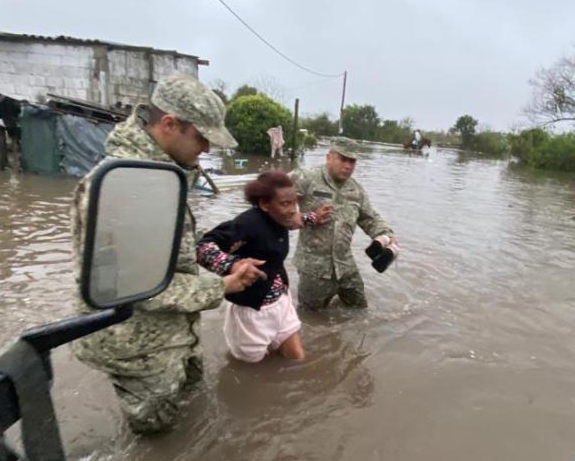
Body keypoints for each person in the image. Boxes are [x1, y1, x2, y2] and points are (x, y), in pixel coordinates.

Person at [70, 74, 266, 435]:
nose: (207, 149)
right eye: (201, 138)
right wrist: (222, 286)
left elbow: (169, 260)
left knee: (190, 422)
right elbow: (136, 287)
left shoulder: (162, 176)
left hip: (173, 333)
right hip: (138, 347)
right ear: (169, 124)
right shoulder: (125, 187)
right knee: (159, 440)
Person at [196, 171, 333, 363]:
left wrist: (314, 218)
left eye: (294, 202)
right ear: (264, 204)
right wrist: (232, 265)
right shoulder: (248, 223)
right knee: (248, 369)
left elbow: (295, 220)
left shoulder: (280, 217)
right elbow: (202, 247)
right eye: (285, 203)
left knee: (296, 358)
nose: (293, 209)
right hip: (252, 311)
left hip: (280, 302)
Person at [290, 137, 398, 309]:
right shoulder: (306, 178)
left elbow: (370, 218)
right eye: (343, 159)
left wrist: (386, 235)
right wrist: (305, 218)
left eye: (352, 161)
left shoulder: (356, 190)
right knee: (310, 318)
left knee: (360, 310)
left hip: (345, 266)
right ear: (329, 157)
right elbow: (273, 201)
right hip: (314, 270)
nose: (348, 166)